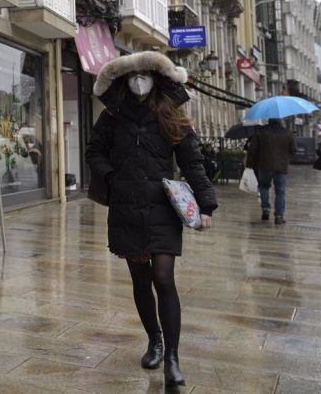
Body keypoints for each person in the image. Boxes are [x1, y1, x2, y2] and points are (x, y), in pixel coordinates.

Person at [85, 51, 216, 388]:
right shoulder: (112, 117)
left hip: (162, 207)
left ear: (156, 80)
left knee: (163, 277)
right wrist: (111, 177)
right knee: (141, 279)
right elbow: (94, 151)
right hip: (126, 207)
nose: (139, 81)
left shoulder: (171, 114)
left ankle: (172, 358)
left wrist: (206, 205)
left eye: (144, 75)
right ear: (123, 82)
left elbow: (192, 162)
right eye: (132, 76)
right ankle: (154, 340)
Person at [245, 118, 297, 224]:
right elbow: (294, 149)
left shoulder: (260, 131)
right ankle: (279, 216)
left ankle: (265, 209)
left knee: (264, 187)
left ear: (269, 121)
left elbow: (253, 150)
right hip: (281, 167)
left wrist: (249, 164)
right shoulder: (287, 133)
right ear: (280, 122)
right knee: (280, 192)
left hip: (264, 165)